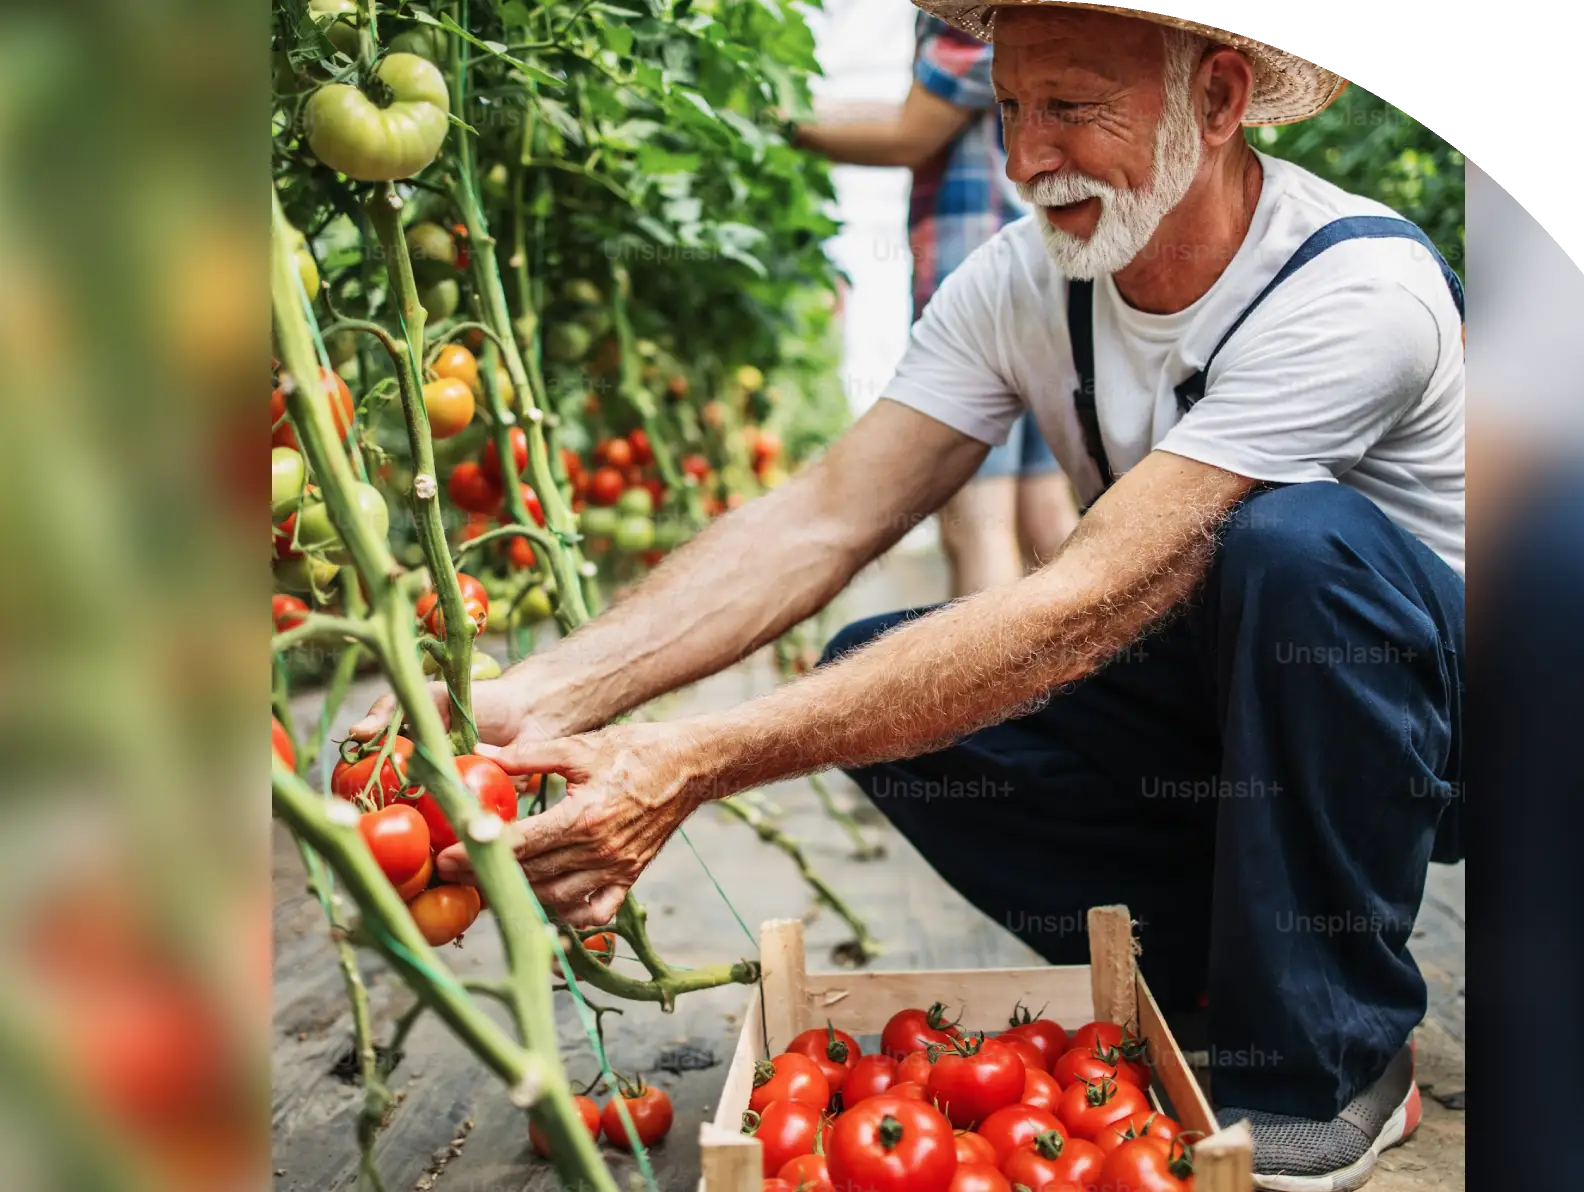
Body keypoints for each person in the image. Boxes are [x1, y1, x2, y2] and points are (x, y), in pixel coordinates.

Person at [355, 5, 1463, 1186]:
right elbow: (825, 515)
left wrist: (688, 759)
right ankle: (1214, 982)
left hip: (1443, 738)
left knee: (1294, 544)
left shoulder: (1353, 291)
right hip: (1231, 716)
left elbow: (1083, 597)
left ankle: (1332, 1050)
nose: (1027, 156)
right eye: (1011, 108)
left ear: (1220, 99)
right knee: (884, 669)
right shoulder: (1025, 282)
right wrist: (543, 694)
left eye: (1073, 108)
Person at [791, 10, 1079, 595]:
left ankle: (992, 689)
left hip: (978, 262)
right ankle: (1115, 681)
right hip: (1050, 264)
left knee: (976, 524)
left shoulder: (967, 11)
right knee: (1040, 514)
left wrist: (772, 121)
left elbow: (909, 132)